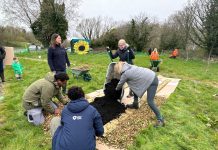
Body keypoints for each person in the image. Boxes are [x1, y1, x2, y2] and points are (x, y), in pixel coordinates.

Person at [114, 61, 164, 127]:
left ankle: (160, 119)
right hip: (151, 75)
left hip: (152, 81)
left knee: (150, 101)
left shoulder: (125, 74)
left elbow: (119, 85)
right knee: (135, 87)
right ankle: (135, 104)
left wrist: (114, 90)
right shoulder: (130, 66)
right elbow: (134, 83)